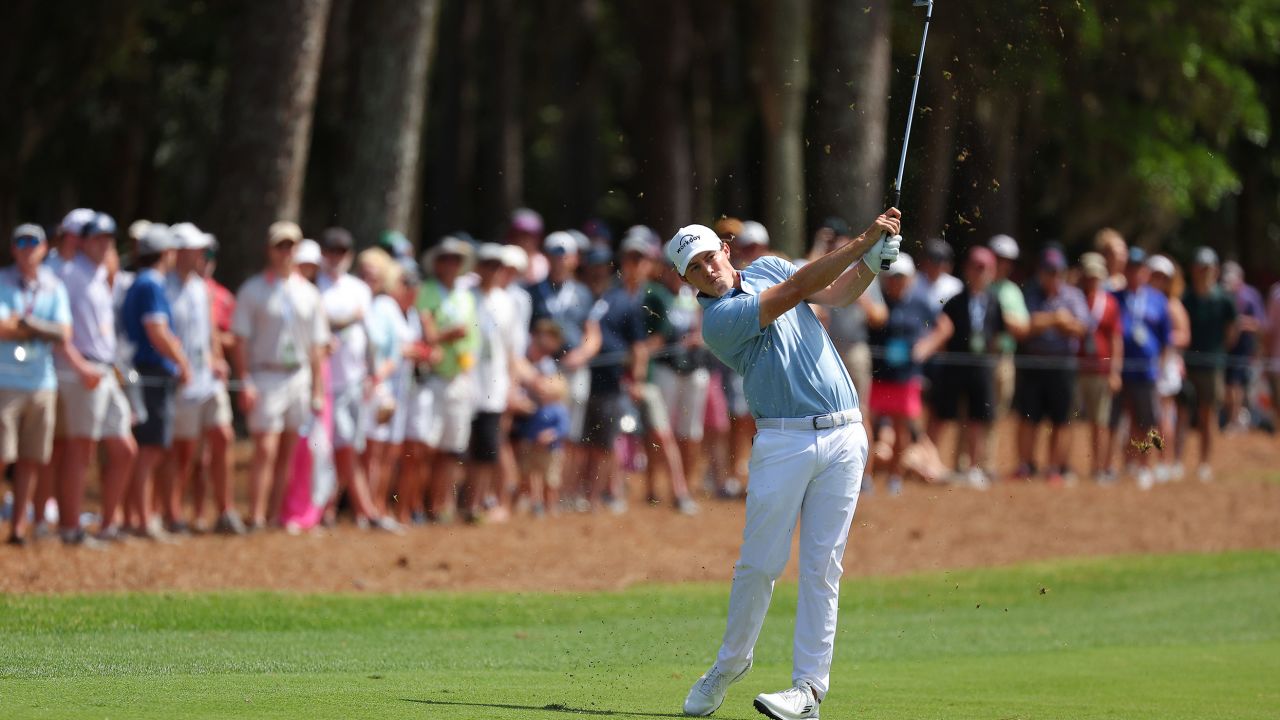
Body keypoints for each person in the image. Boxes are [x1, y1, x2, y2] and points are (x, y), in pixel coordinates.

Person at [671, 208, 901, 719]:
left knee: (823, 567)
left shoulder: (770, 267)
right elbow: (798, 290)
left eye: (710, 256)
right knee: (760, 565)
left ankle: (808, 693)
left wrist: (872, 264)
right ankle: (729, 665)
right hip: (782, 442)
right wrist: (866, 239)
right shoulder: (718, 322)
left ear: (726, 251)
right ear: (686, 280)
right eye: (695, 267)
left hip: (845, 432)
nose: (708, 268)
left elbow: (835, 294)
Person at [230, 221, 330, 529]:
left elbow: (317, 346)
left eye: (291, 246)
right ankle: (257, 514)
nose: (285, 252)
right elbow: (240, 340)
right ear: (270, 250)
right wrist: (244, 379)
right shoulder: (253, 290)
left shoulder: (309, 294)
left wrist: (316, 388)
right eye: (280, 246)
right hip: (266, 374)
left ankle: (275, 514)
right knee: (265, 448)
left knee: (287, 451)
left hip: (297, 376)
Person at [55, 212, 138, 545]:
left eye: (108, 239)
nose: (104, 244)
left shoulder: (101, 273)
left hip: (105, 369)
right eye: (97, 238)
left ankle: (107, 524)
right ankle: (71, 528)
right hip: (83, 370)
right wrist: (78, 367)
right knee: (81, 449)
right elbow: (61, 330)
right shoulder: (69, 274)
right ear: (82, 241)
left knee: (124, 449)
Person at [164, 223, 241, 534]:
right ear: (181, 252)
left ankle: (226, 510)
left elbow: (210, 332)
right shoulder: (164, 286)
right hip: (180, 380)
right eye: (198, 250)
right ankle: (173, 511)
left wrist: (218, 359)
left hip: (207, 378)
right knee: (183, 451)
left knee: (223, 435)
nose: (203, 256)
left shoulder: (201, 287)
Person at [1, 225, 71, 546]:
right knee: (3, 456)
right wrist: (43, 329)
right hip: (5, 381)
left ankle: (18, 529)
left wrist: (26, 324)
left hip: (42, 382)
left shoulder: (54, 286)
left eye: (34, 242)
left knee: (32, 459)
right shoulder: (2, 281)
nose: (28, 248)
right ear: (14, 249)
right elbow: (3, 327)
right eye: (22, 242)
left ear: (44, 248)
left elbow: (64, 334)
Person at [915, 247, 1008, 488]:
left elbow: (997, 335)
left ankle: (973, 468)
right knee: (941, 415)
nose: (980, 273)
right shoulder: (954, 301)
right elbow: (943, 330)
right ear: (967, 269)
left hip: (982, 367)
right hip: (955, 367)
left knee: (978, 418)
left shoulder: (995, 302)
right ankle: (928, 464)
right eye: (976, 268)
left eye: (985, 268)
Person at [619, 227, 698, 515]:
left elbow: (659, 338)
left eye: (641, 259)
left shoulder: (656, 295)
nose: (636, 265)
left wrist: (638, 359)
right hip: (622, 377)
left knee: (662, 435)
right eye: (631, 258)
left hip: (648, 378)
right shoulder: (618, 296)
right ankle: (620, 491)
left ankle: (679, 492)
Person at [120, 223, 191, 538]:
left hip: (145, 372)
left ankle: (138, 517)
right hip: (151, 372)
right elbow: (157, 330)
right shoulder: (151, 284)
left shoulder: (142, 282)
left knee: (149, 448)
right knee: (149, 449)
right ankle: (141, 518)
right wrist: (182, 363)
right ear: (165, 253)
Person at [411, 236, 479, 522]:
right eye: (446, 258)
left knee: (451, 448)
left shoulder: (465, 297)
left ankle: (440, 504)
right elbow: (428, 333)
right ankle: (416, 504)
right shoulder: (427, 291)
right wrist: (449, 335)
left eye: (456, 259)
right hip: (433, 378)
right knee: (426, 445)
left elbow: (472, 336)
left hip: (458, 377)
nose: (451, 264)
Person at [1013, 246, 1088, 485]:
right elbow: (1026, 325)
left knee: (1061, 420)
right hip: (1034, 364)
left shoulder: (1074, 295)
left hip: (1063, 366)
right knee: (1028, 417)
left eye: (1056, 271)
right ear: (1040, 272)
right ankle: (1026, 464)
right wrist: (1057, 319)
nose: (1052, 276)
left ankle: (1055, 467)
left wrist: (1048, 322)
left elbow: (1082, 327)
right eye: (1048, 271)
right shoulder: (1030, 293)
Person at [865, 254, 938, 494]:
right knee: (867, 426)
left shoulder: (919, 302)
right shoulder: (877, 298)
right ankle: (866, 477)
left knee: (901, 429)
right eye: (893, 277)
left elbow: (942, 326)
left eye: (901, 277)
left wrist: (926, 348)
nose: (897, 282)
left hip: (904, 377)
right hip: (876, 376)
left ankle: (895, 477)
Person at [465, 243, 523, 522]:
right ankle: (468, 502)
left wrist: (512, 386)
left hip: (494, 386)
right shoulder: (467, 297)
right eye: (487, 264)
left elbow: (512, 351)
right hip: (467, 383)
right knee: (467, 447)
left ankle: (484, 502)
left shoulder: (506, 302)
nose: (492, 271)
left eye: (497, 265)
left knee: (490, 447)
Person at [1108, 248, 1173, 488]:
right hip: (1120, 370)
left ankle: (1146, 465)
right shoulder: (1114, 296)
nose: (1134, 273)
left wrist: (1161, 369)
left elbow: (1166, 340)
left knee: (1147, 422)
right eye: (1130, 268)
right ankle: (1118, 464)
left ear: (1144, 272)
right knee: (1117, 420)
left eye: (1138, 268)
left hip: (1147, 372)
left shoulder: (1158, 300)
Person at [1180, 247, 1238, 481]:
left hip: (1212, 366)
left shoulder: (1224, 300)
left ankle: (1204, 463)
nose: (1204, 273)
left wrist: (1218, 353)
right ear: (1194, 270)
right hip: (1187, 365)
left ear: (1215, 270)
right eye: (1200, 268)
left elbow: (1231, 333)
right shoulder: (1186, 297)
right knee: (1182, 414)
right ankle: (1177, 461)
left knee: (1207, 416)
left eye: (1208, 268)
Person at [1075, 252, 1123, 484]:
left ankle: (1100, 467)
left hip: (1101, 371)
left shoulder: (1110, 303)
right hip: (1077, 369)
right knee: (1072, 420)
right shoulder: (1075, 299)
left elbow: (1116, 338)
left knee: (1100, 422)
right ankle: (1065, 465)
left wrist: (1115, 371)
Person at [1221, 261, 1265, 432]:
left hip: (1243, 347)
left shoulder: (1250, 295)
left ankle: (1236, 420)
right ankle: (1230, 417)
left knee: (1236, 384)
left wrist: (1239, 323)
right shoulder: (1225, 294)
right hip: (1226, 346)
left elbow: (1259, 323)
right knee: (1227, 385)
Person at [916, 238, 964, 309]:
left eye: (942, 263)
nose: (937, 267)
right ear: (925, 262)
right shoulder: (913, 281)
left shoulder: (956, 286)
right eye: (933, 262)